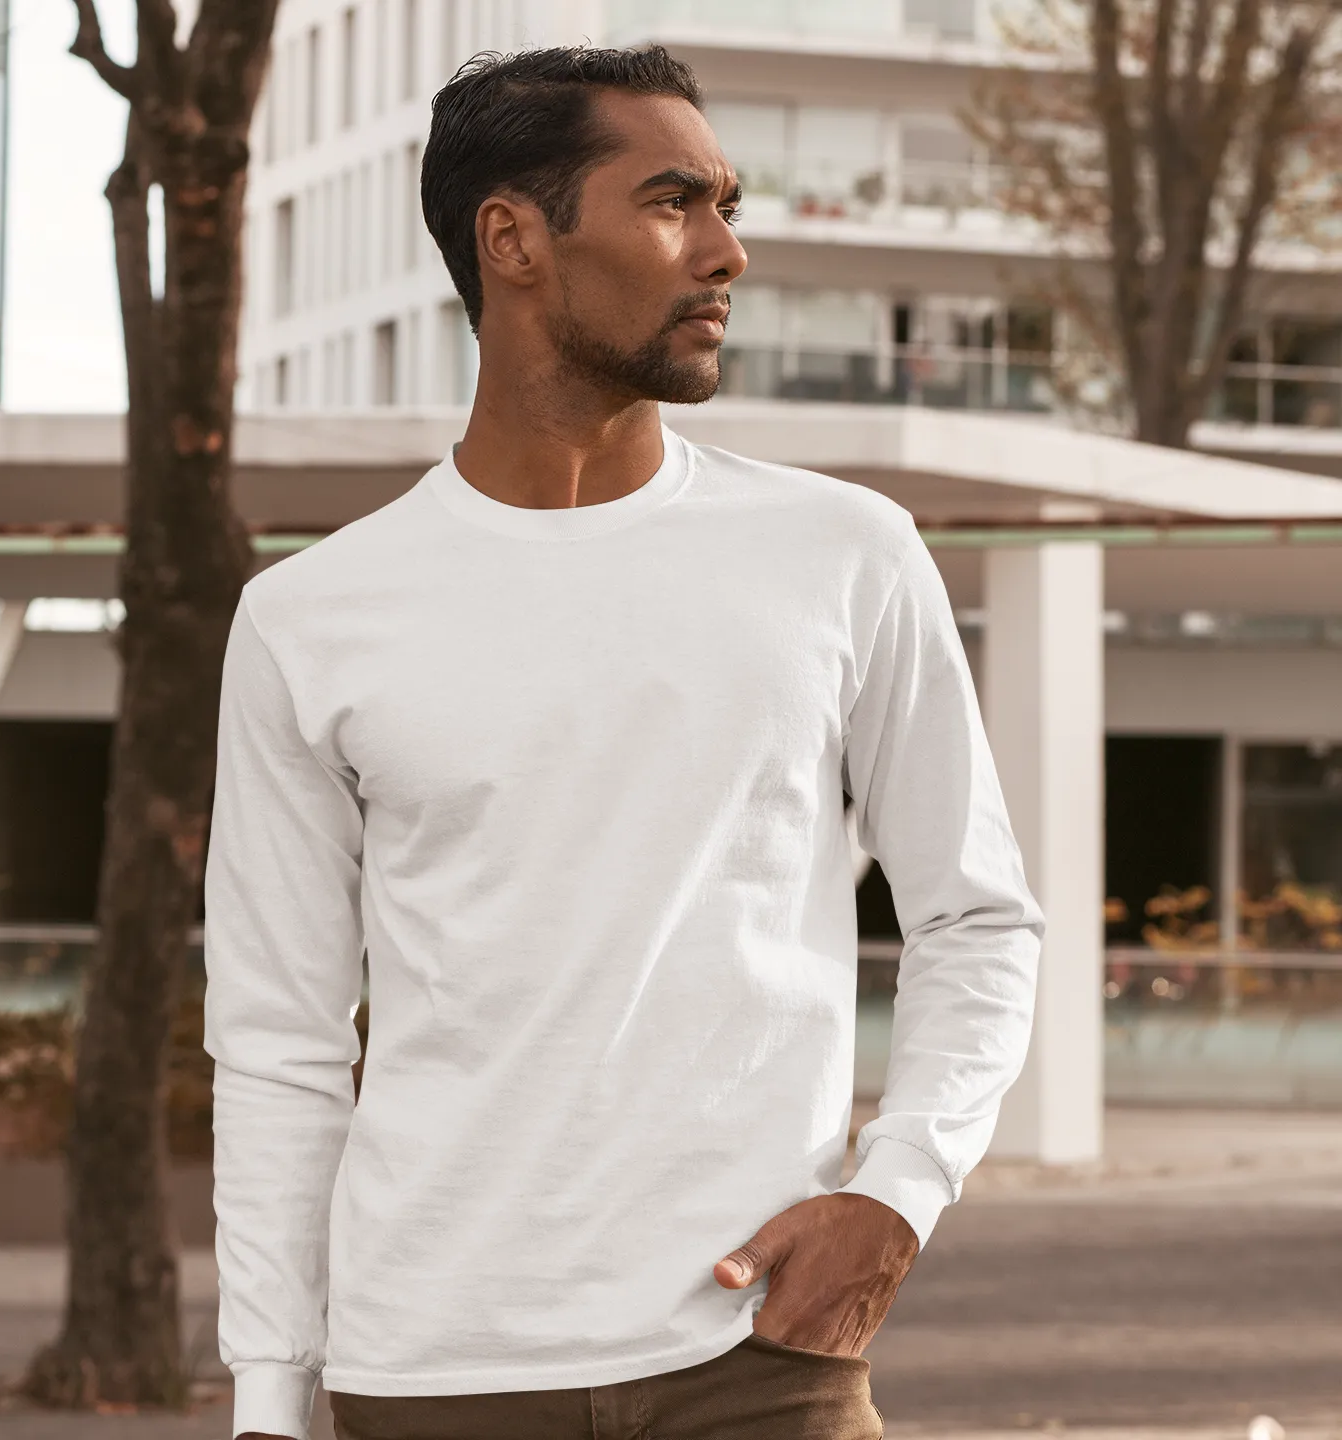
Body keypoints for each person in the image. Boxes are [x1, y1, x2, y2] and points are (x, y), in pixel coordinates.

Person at [204, 43, 1044, 1440]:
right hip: (432, 1376)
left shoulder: (845, 553)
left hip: (757, 1362)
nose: (727, 252)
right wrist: (271, 1401)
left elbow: (978, 917)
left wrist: (896, 1194)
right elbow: (280, 1039)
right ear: (514, 239)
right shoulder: (311, 616)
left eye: (728, 202)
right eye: (673, 203)